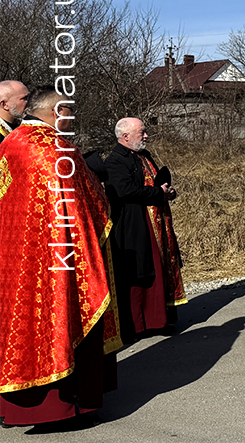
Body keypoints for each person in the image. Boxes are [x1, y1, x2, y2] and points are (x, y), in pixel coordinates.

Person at [0, 86, 121, 426]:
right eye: (69, 112)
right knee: (60, 322)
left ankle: (16, 406)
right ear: (58, 113)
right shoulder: (56, 150)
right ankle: (63, 409)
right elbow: (91, 203)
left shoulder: (11, 143)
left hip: (16, 257)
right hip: (58, 258)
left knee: (20, 326)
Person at [105, 117, 186, 343]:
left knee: (159, 268)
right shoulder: (114, 161)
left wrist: (168, 192)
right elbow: (125, 191)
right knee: (138, 273)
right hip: (134, 225)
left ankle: (158, 320)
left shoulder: (144, 155)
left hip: (155, 223)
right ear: (126, 136)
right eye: (142, 132)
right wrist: (158, 194)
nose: (146, 136)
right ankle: (138, 324)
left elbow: (156, 182)